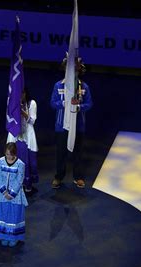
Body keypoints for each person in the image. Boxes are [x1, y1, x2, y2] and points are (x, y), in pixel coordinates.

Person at [50, 57, 93, 189]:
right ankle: (58, 176)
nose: (73, 71)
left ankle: (78, 177)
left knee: (78, 152)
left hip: (78, 126)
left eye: (76, 68)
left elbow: (89, 104)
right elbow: (52, 103)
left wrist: (78, 106)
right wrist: (65, 103)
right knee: (61, 153)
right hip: (61, 126)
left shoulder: (84, 87)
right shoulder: (58, 85)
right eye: (70, 68)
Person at [0, 142, 28, 247]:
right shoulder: (0, 161)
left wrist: (11, 194)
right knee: (3, 215)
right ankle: (4, 236)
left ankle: (14, 237)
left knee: (14, 216)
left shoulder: (21, 164)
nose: (9, 156)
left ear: (15, 153)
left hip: (15, 195)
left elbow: (19, 180)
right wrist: (4, 192)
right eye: (7, 154)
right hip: (1, 195)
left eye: (11, 154)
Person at [7, 88, 39, 194]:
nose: (20, 95)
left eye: (22, 93)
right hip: (15, 136)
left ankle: (28, 185)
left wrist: (23, 112)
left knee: (29, 162)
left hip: (28, 137)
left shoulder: (32, 103)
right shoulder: (12, 102)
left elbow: (32, 121)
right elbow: (10, 119)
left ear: (25, 93)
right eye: (18, 93)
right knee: (13, 159)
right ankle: (15, 186)